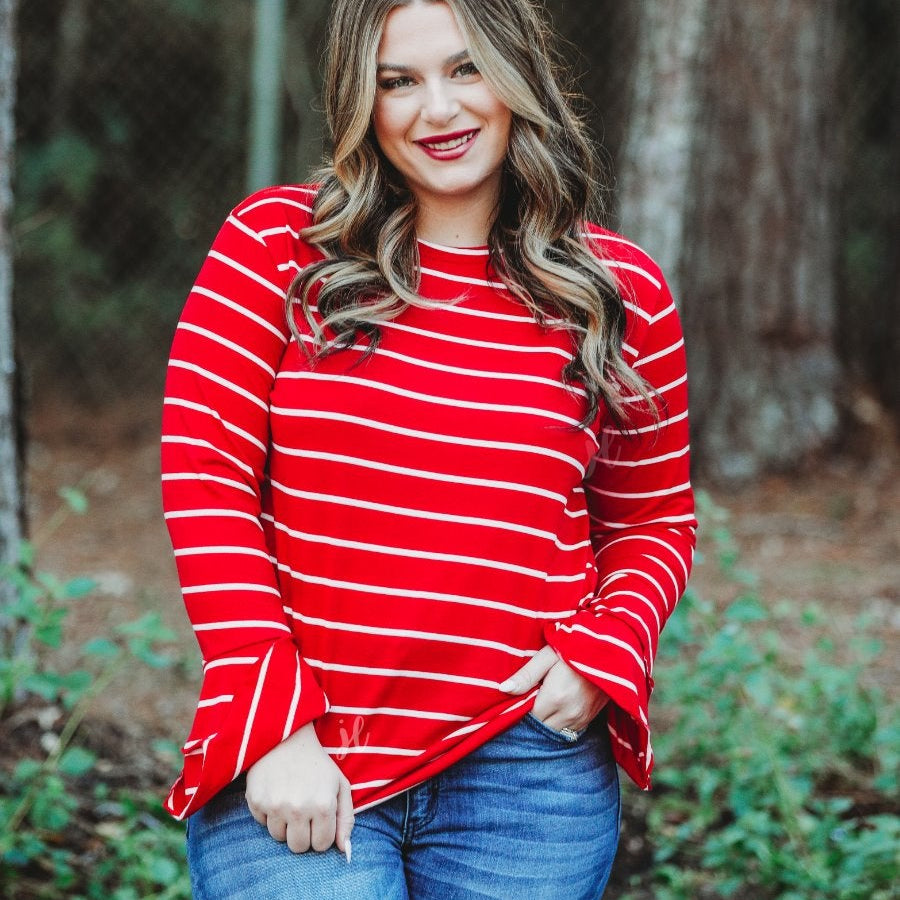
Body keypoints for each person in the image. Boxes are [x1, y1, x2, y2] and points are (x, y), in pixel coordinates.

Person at [160, 0, 696, 896]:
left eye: (465, 69)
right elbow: (206, 484)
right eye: (396, 82)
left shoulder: (615, 289)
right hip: (306, 752)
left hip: (525, 768)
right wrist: (272, 725)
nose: (436, 110)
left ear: (518, 74)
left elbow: (653, 520)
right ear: (359, 105)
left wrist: (605, 650)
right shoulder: (276, 248)